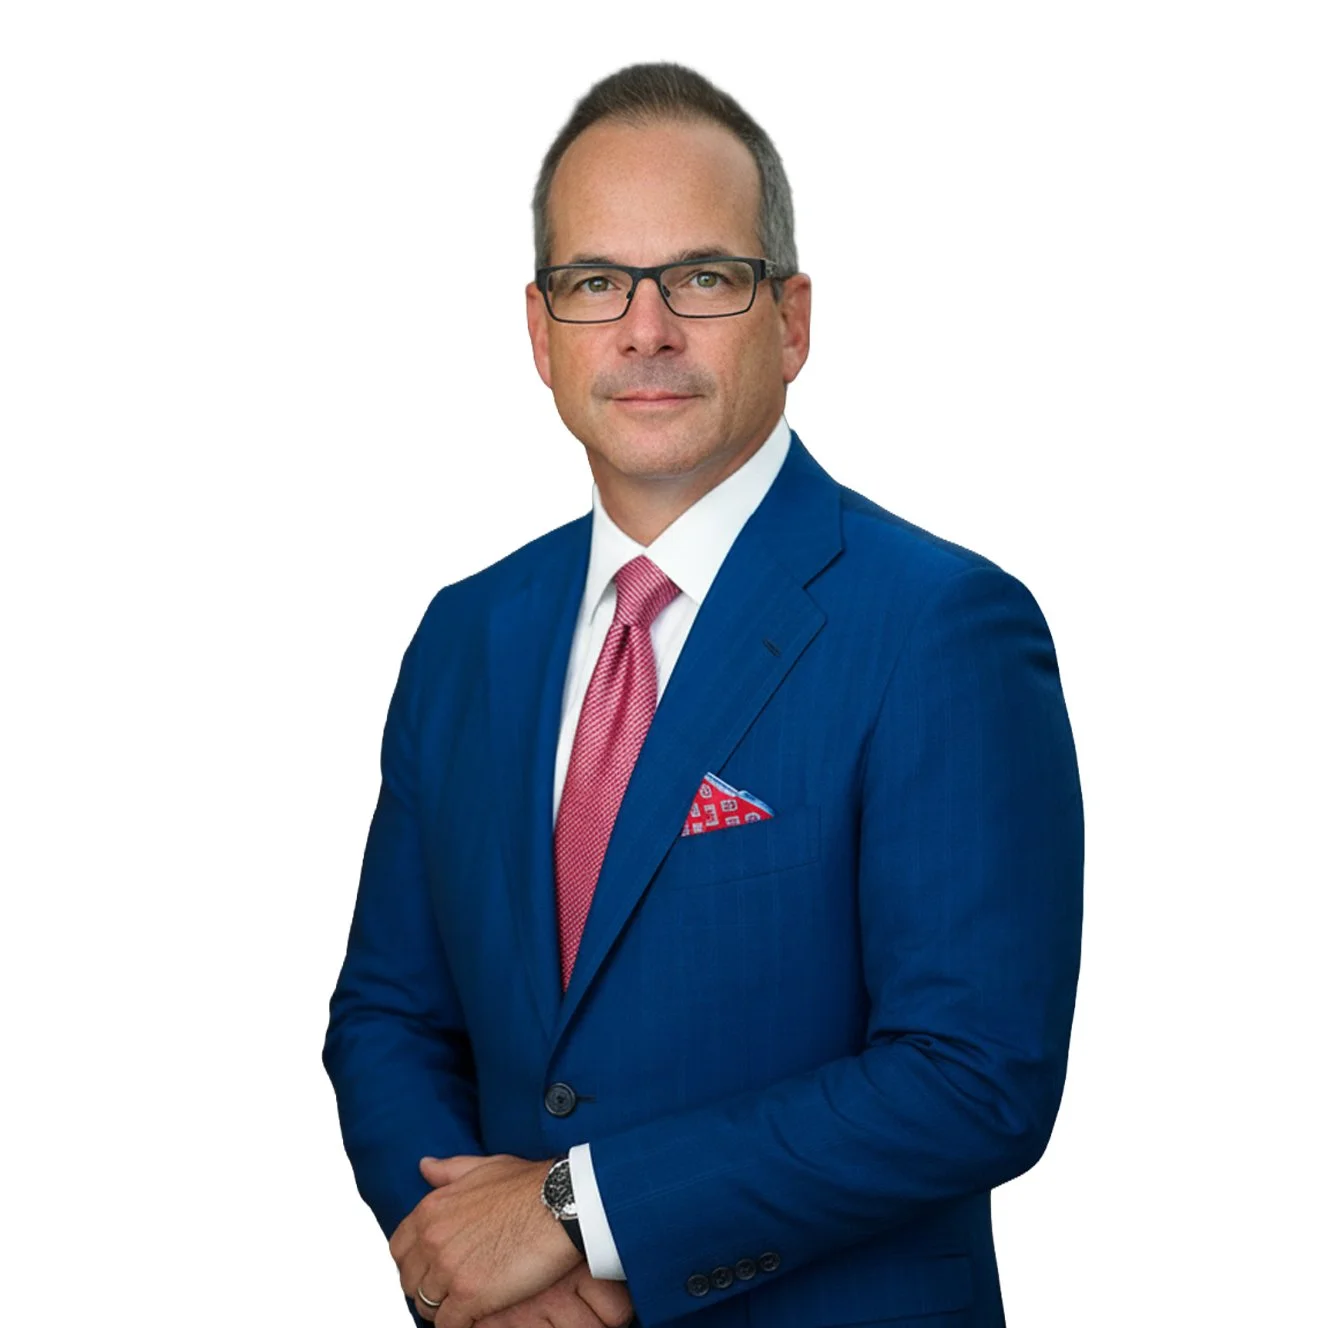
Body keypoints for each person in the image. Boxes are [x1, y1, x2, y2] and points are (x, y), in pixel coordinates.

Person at [323, 61, 1084, 1328]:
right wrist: (462, 1254)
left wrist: (572, 1211)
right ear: (539, 330)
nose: (644, 328)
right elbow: (390, 1012)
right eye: (594, 284)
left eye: (702, 277)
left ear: (788, 319)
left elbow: (972, 1077)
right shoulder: (464, 637)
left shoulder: (940, 626)